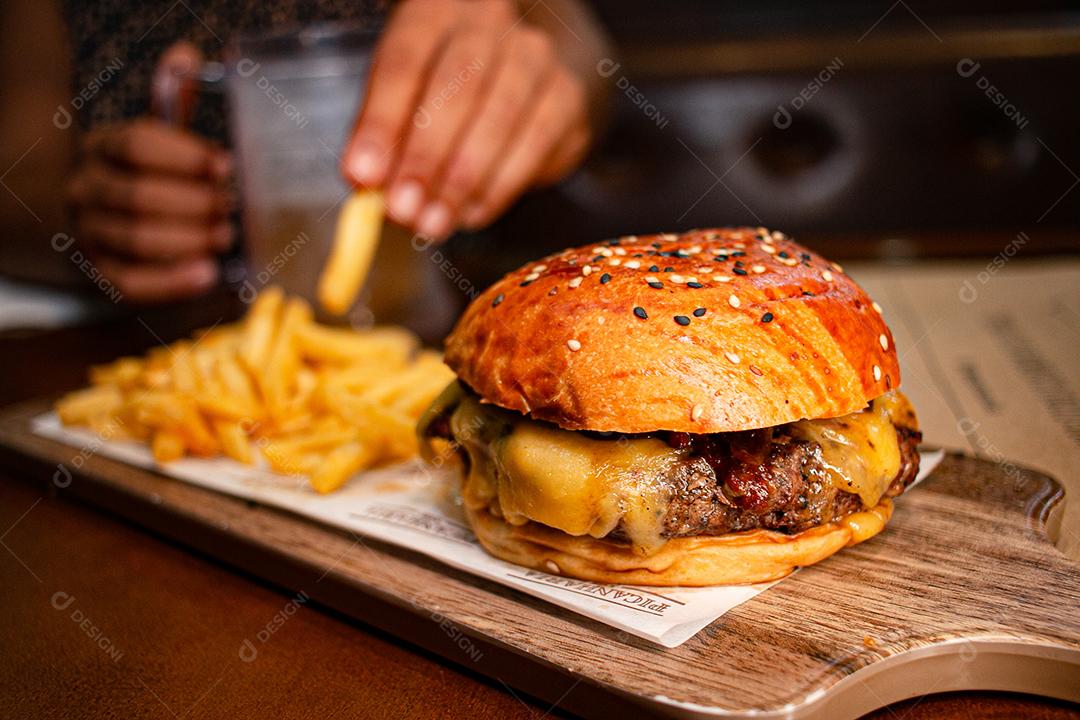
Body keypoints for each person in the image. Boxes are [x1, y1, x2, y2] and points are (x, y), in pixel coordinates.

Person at [1, 0, 611, 303]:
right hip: (140, 329)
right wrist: (83, 211)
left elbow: (577, 44)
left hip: (452, 304)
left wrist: (541, 82)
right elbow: (20, 172)